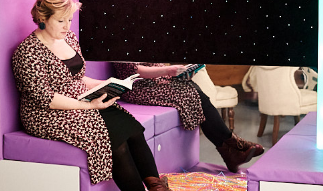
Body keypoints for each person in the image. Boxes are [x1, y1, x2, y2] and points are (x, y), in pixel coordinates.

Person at [11, 0, 196, 191]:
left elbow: (78, 78)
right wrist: (88, 106)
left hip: (80, 100)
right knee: (111, 139)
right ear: (43, 18)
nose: (67, 26)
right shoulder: (27, 52)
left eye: (70, 19)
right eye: (61, 20)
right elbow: (46, 98)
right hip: (47, 113)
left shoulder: (69, 39)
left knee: (131, 128)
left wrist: (105, 84)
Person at [113, 62, 265, 172]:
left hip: (156, 81)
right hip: (138, 87)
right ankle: (232, 146)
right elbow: (134, 71)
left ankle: (230, 149)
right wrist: (167, 71)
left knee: (192, 88)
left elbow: (156, 65)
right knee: (191, 93)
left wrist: (177, 72)